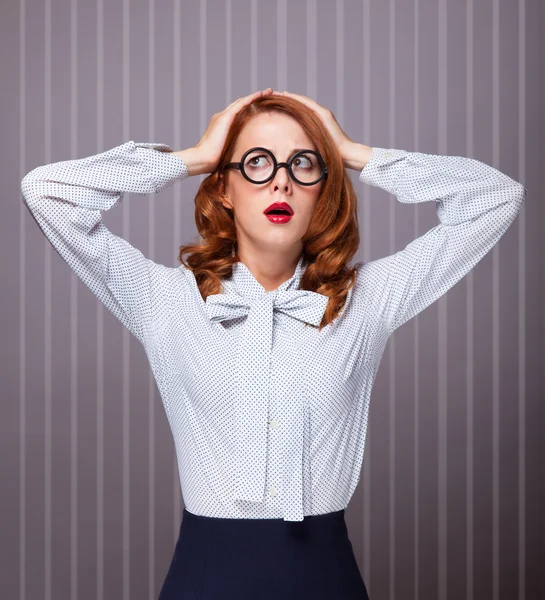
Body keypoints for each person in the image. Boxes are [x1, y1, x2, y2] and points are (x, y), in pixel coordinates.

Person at [20, 88, 527, 600]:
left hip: (326, 580)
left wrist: (355, 154)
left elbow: (495, 197)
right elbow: (46, 192)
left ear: (321, 189)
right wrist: (191, 159)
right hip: (204, 581)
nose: (281, 180)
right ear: (223, 187)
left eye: (304, 163)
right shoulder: (164, 300)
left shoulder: (364, 301)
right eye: (257, 163)